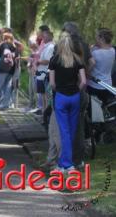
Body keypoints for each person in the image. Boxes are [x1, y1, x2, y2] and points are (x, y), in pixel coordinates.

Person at [48, 32, 86, 172]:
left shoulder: (54, 60)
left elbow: (52, 83)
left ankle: (66, 164)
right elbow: (83, 81)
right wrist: (77, 90)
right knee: (72, 129)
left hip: (61, 97)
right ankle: (66, 164)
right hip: (75, 97)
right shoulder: (77, 59)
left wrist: (58, 90)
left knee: (64, 131)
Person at [87, 28, 114, 103]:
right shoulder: (112, 51)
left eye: (96, 36)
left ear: (101, 38)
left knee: (94, 111)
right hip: (107, 85)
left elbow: (91, 64)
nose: (95, 38)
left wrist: (86, 73)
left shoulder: (95, 53)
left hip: (94, 85)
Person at [34, 30, 55, 114]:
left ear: (50, 37)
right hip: (41, 73)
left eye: (45, 36)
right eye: (43, 36)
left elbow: (48, 61)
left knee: (46, 96)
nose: (43, 37)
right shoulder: (45, 46)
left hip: (45, 74)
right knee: (42, 95)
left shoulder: (51, 47)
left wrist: (38, 62)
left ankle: (46, 114)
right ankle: (43, 113)